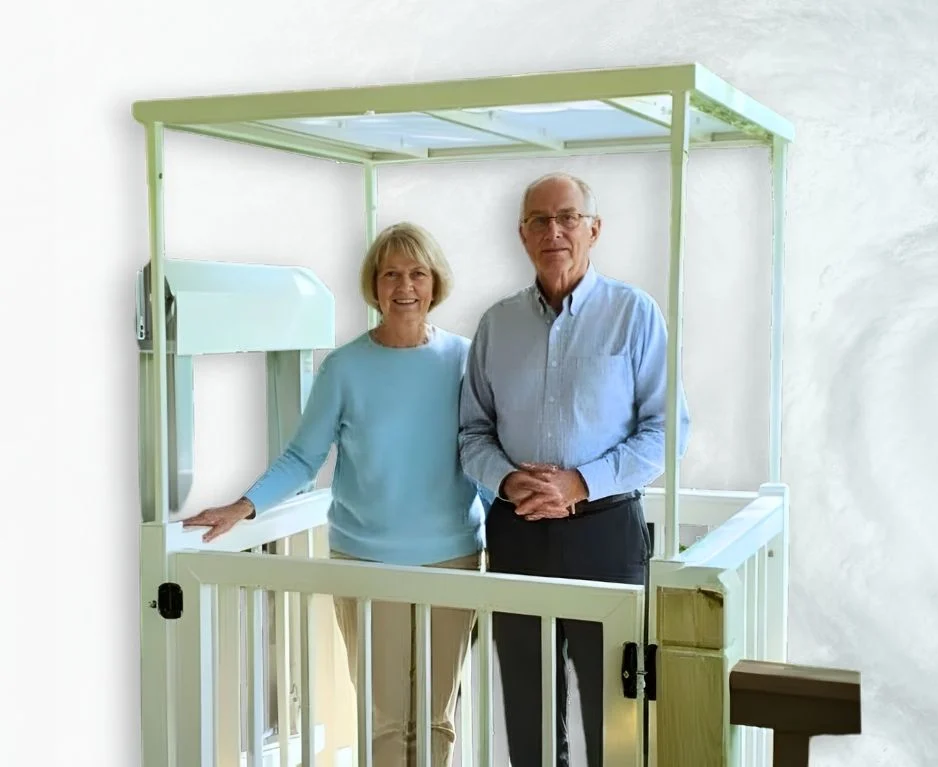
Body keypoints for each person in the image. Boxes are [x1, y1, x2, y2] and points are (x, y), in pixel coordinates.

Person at [180, 221, 488, 767]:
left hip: (454, 557)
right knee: (389, 719)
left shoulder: (465, 361)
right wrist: (243, 505)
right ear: (374, 285)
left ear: (435, 282)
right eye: (390, 273)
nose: (404, 286)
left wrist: (516, 527)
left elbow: (484, 454)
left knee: (437, 718)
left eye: (417, 272)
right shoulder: (345, 368)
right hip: (366, 560)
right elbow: (303, 457)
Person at [458, 172, 690, 767]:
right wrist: (510, 482)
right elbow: (472, 433)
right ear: (521, 234)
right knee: (529, 715)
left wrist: (580, 484)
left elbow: (669, 431)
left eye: (566, 217)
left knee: (618, 713)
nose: (553, 231)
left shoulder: (635, 315)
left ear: (594, 228)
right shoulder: (495, 325)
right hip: (517, 533)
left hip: (606, 536)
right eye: (539, 220)